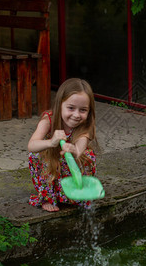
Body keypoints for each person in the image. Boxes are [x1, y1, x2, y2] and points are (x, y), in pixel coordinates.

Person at [27, 78, 99, 212]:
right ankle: (48, 197)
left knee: (87, 156)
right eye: (71, 108)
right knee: (40, 155)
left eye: (83, 110)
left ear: (89, 111)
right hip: (52, 159)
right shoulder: (48, 119)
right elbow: (31, 145)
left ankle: (74, 194)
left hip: (70, 160)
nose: (76, 115)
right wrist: (51, 142)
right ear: (60, 104)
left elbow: (79, 149)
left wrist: (73, 149)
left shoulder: (86, 126)